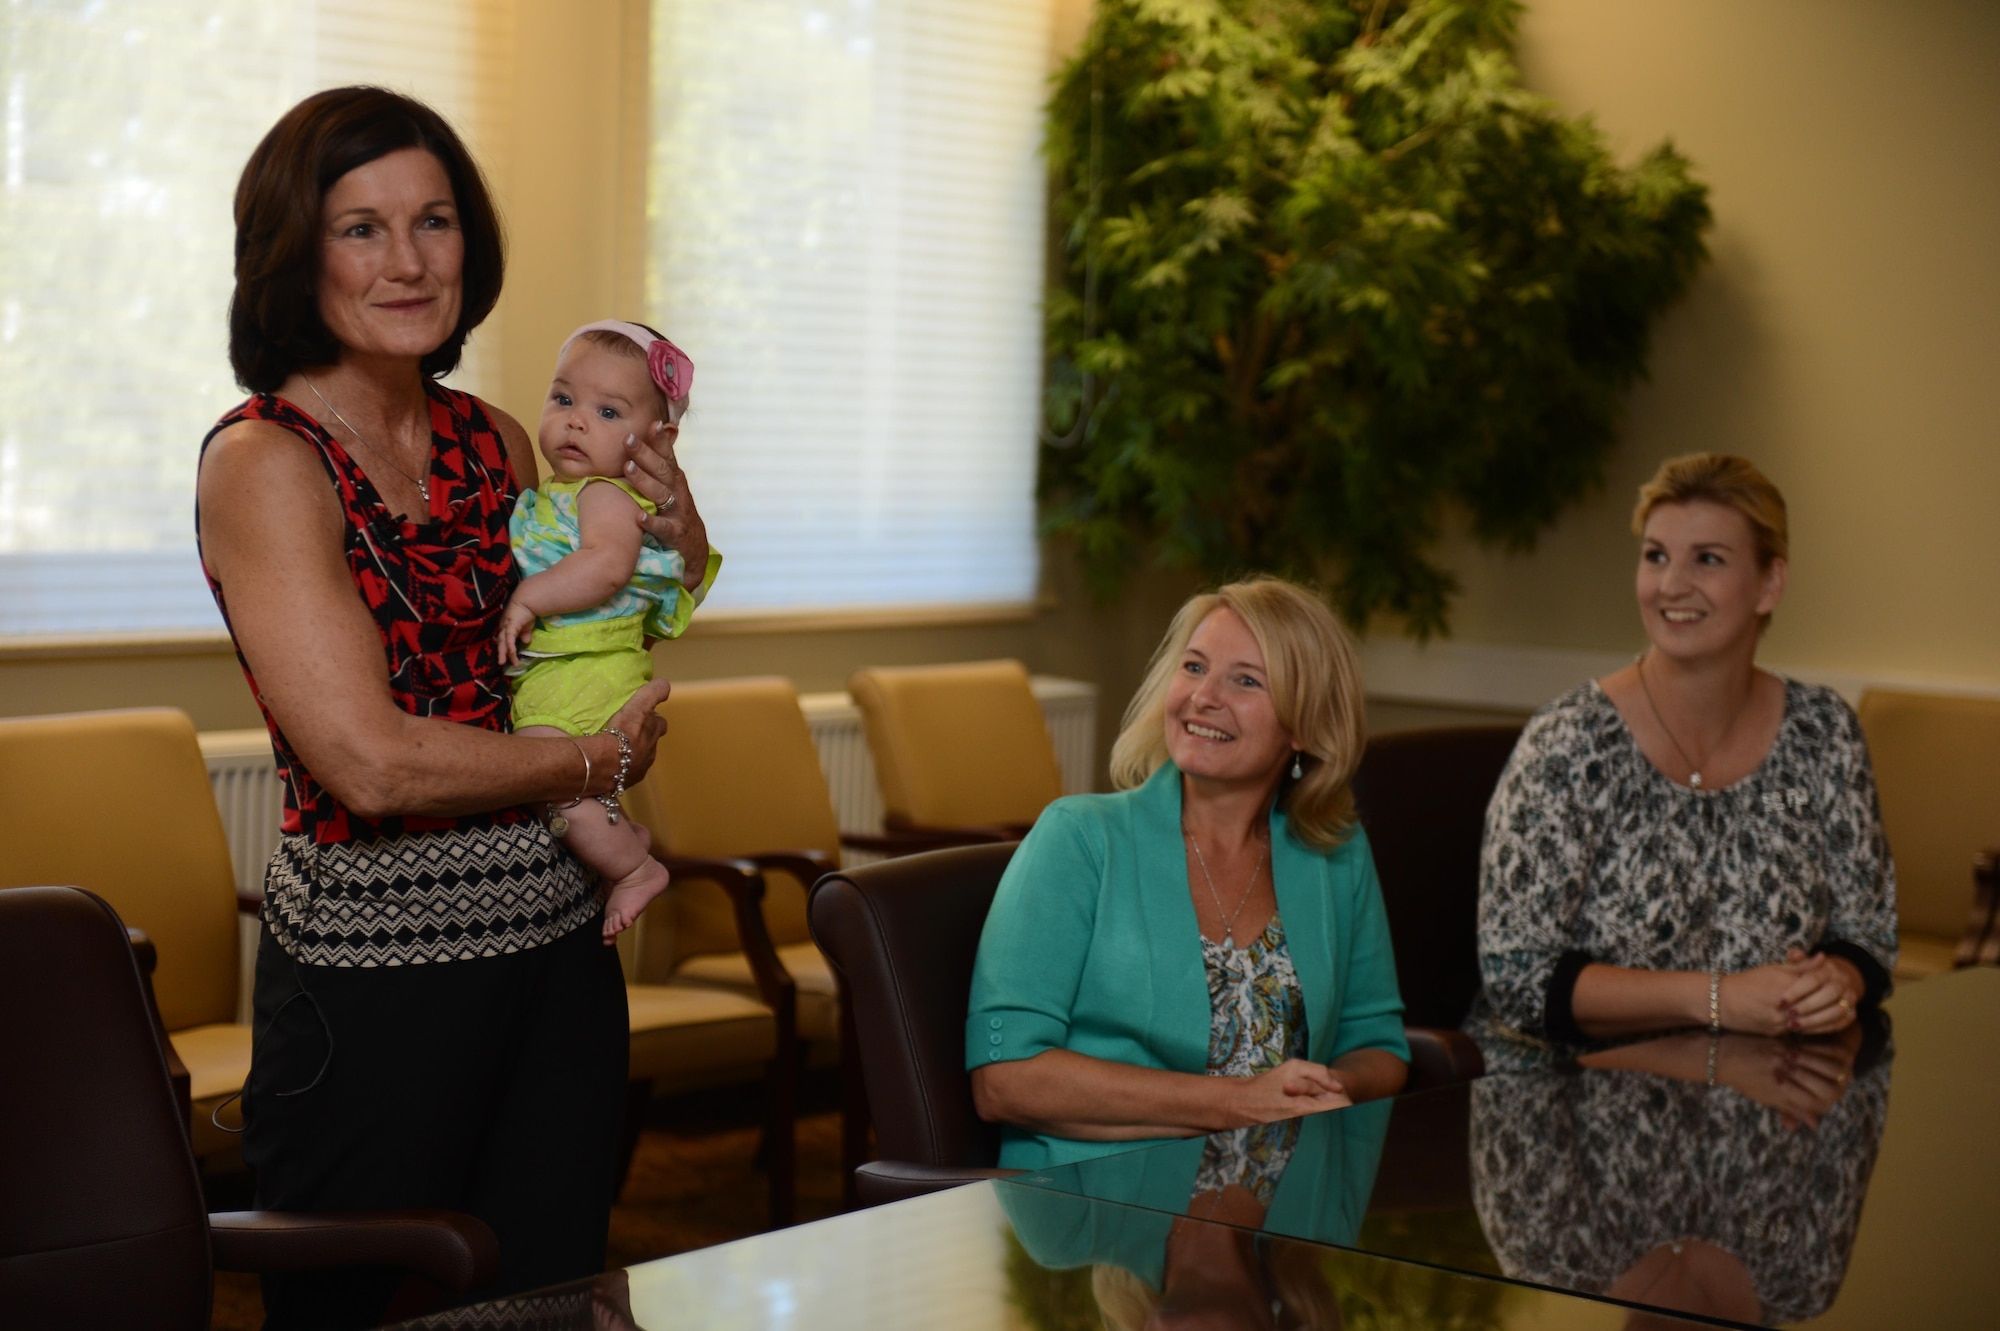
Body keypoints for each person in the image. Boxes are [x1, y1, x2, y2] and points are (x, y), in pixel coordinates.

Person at [195, 87, 713, 1327]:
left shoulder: (497, 436)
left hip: (558, 958)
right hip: (378, 986)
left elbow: (576, 641)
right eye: (361, 228)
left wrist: (679, 539)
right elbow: (370, 766)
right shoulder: (264, 461)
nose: (410, 260)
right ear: (292, 250)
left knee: (550, 1296)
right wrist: (590, 767)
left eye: (434, 220)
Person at [967, 577, 1409, 1172]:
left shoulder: (1336, 851)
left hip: (1289, 1218)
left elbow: (1377, 1042)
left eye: (1246, 680)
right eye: (1194, 667)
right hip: (1104, 1214)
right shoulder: (1079, 838)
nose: (1203, 697)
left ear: (1303, 725)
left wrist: (1322, 1091)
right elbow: (1006, 1080)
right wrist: (1240, 1104)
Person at [1471, 453, 1897, 1054]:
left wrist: (1835, 982)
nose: (1671, 585)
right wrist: (1720, 998)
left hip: (1778, 1094)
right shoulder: (1568, 742)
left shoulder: (1824, 732)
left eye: (1708, 559)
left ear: (1770, 583)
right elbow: (1518, 976)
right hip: (1572, 1097)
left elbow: (1868, 935)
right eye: (1656, 556)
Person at [497, 320, 710, 938]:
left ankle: (637, 868)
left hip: (588, 667)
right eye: (563, 399)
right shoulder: (560, 493)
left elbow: (607, 564)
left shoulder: (605, 495)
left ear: (654, 441)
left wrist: (527, 599)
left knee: (551, 773)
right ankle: (620, 837)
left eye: (607, 410)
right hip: (568, 665)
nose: (575, 421)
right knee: (562, 785)